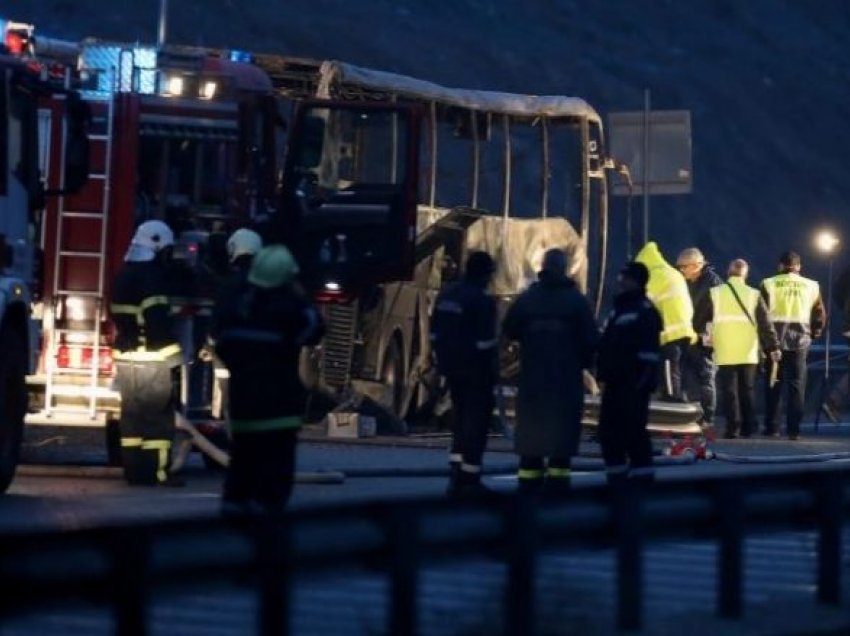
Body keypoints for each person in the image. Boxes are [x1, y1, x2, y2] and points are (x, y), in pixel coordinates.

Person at [211, 245, 324, 516]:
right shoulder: (291, 310)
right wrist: (301, 296)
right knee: (274, 484)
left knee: (241, 471)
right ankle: (266, 540)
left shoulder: (236, 309)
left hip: (243, 409)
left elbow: (220, 342)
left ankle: (232, 529)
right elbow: (315, 329)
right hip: (280, 413)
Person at [502, 249, 597, 495]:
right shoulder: (576, 301)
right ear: (565, 268)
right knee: (561, 438)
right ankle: (558, 487)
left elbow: (509, 329)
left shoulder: (529, 298)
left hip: (533, 379)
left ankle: (528, 486)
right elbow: (590, 342)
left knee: (531, 437)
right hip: (565, 382)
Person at [110, 220, 184, 486]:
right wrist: (176, 362)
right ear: (157, 246)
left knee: (131, 420)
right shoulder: (152, 279)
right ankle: (157, 474)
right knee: (157, 423)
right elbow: (157, 325)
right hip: (152, 362)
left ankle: (133, 472)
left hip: (126, 361)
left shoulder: (123, 275)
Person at [429, 251, 498, 497]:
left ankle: (456, 472)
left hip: (451, 367)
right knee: (476, 424)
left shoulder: (447, 294)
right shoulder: (481, 301)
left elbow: (434, 331)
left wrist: (442, 361)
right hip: (475, 371)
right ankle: (469, 478)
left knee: (459, 420)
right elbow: (486, 344)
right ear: (485, 274)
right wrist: (493, 371)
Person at [597, 262, 662, 485]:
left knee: (634, 433)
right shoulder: (620, 310)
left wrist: (641, 384)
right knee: (609, 434)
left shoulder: (644, 311)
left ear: (635, 280)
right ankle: (616, 482)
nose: (620, 281)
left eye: (624, 277)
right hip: (614, 383)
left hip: (632, 385)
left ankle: (641, 484)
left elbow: (649, 355)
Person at [707, 259, 780, 438]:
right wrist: (773, 346)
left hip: (724, 350)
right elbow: (765, 324)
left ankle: (733, 428)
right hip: (748, 351)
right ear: (745, 274)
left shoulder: (714, 293)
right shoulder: (753, 294)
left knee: (730, 391)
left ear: (728, 272)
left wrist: (706, 340)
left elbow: (704, 319)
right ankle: (749, 426)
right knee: (747, 390)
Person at [760, 251, 827, 439]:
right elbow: (819, 314)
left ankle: (772, 427)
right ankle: (794, 430)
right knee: (797, 387)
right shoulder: (811, 286)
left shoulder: (768, 283)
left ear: (780, 266)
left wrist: (765, 341)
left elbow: (762, 314)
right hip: (800, 342)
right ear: (799, 267)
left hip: (774, 342)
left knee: (774, 384)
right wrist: (814, 333)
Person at [635, 242, 697, 401]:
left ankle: (671, 400)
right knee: (679, 369)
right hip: (685, 331)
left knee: (669, 368)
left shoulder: (655, 276)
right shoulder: (673, 273)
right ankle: (680, 397)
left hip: (671, 332)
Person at [676, 247, 723, 428]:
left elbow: (719, 313)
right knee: (687, 377)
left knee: (706, 378)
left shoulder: (714, 283)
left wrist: (708, 337)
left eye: (684, 267)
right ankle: (690, 417)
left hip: (704, 339)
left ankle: (707, 419)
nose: (681, 270)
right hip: (690, 336)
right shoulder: (687, 282)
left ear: (696, 265)